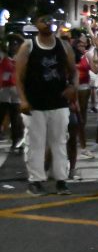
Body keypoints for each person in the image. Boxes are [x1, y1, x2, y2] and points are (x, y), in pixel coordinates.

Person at [14, 11, 77, 196]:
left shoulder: (63, 45)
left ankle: (61, 180)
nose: (48, 23)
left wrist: (73, 86)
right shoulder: (28, 46)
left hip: (59, 102)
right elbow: (18, 77)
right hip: (35, 103)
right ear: (36, 24)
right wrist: (23, 100)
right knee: (36, 143)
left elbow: (73, 71)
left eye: (50, 20)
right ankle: (35, 181)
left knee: (59, 142)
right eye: (43, 20)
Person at [0, 37, 25, 152]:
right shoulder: (4, 58)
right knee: (2, 114)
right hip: (4, 91)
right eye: (11, 45)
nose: (13, 47)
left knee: (16, 118)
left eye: (15, 45)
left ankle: (16, 141)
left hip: (15, 91)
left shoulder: (21, 59)